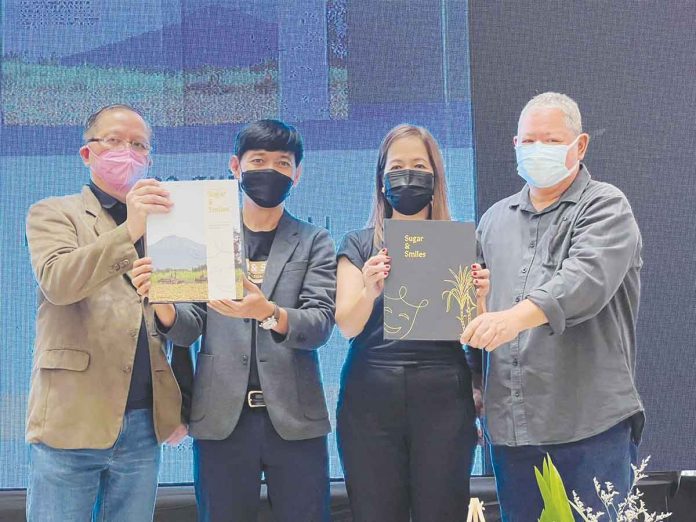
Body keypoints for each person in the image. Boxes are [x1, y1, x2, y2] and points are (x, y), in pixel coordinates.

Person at [132, 119, 336, 522]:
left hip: (295, 421)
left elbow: (319, 324)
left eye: (282, 163)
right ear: (235, 166)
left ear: (298, 173)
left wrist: (269, 313)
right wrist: (163, 300)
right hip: (221, 419)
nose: (270, 171)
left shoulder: (314, 240)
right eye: (258, 160)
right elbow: (189, 327)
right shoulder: (205, 236)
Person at [462, 92, 644, 521]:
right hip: (512, 430)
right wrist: (471, 380)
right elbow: (473, 307)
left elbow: (585, 281)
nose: (537, 150)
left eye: (550, 140)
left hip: (589, 426)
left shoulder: (606, 205)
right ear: (514, 146)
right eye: (528, 141)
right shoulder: (493, 220)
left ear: (579, 146)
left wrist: (512, 319)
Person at [25, 104, 186, 521]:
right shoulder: (53, 212)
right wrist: (129, 228)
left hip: (141, 424)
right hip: (72, 417)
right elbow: (58, 282)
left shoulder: (167, 225)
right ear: (87, 153)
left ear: (149, 160)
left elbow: (182, 318)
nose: (127, 152)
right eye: (114, 141)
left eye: (139, 145)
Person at [334, 124, 488, 521]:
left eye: (419, 165)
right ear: (382, 180)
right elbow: (348, 327)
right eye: (398, 166)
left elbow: (479, 336)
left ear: (435, 178)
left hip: (445, 397)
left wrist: (482, 300)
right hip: (370, 397)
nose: (408, 175)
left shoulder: (462, 244)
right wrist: (370, 288)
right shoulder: (359, 243)